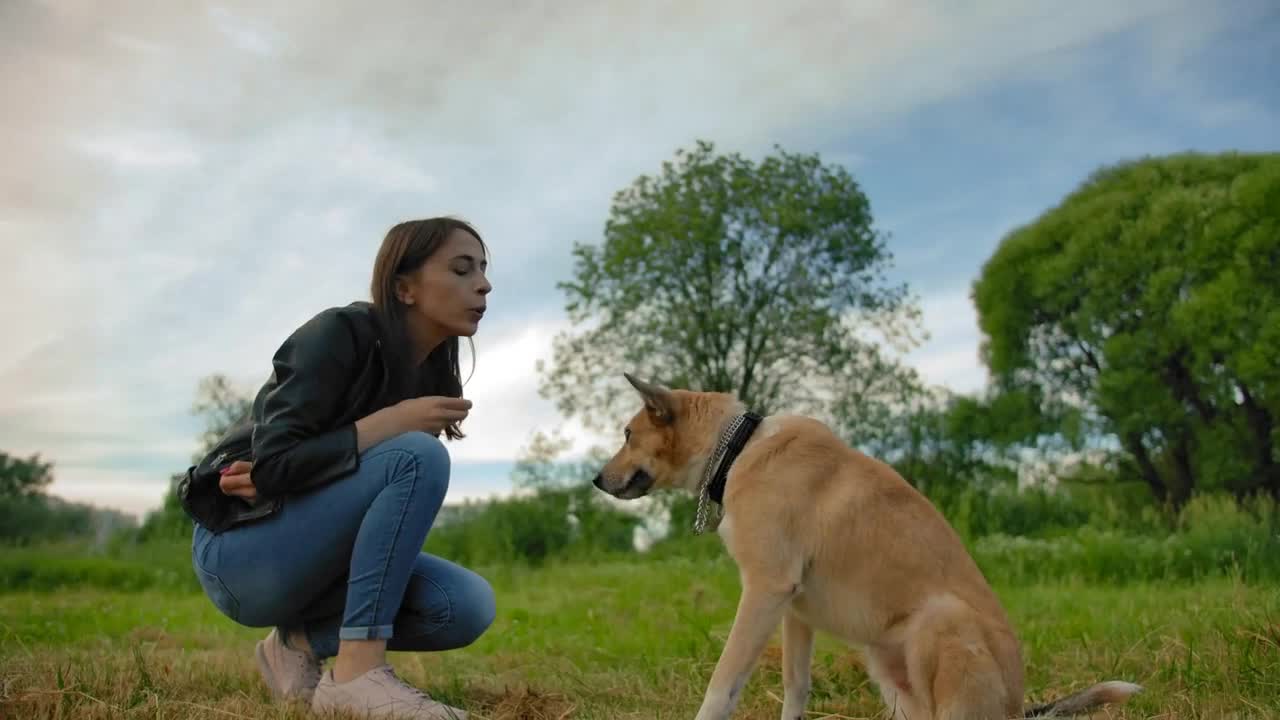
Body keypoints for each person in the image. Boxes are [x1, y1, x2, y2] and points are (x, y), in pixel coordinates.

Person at [186, 217, 496, 720]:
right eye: (462, 269)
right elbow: (273, 466)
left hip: (317, 562)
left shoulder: (432, 370)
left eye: (483, 270)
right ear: (404, 287)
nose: (483, 283)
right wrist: (390, 422)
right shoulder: (337, 333)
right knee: (418, 454)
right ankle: (357, 675)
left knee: (465, 604)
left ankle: (296, 644)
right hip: (239, 551)